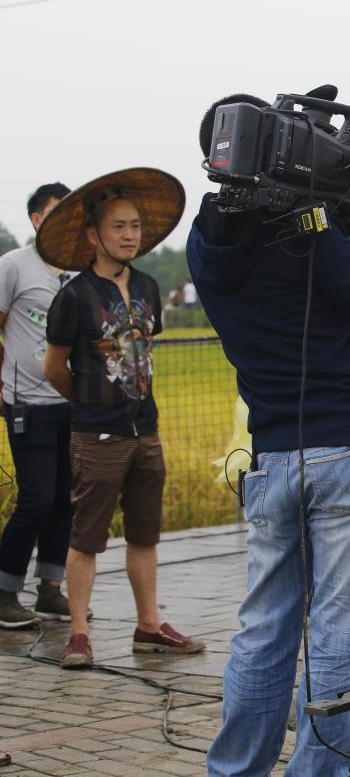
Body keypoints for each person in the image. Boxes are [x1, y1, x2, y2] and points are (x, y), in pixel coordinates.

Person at [189, 91, 350, 776]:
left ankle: (236, 768)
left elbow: (304, 283)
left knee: (264, 630)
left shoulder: (205, 241)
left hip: (271, 456)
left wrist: (332, 207)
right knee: (341, 631)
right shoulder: (307, 232)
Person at [38, 168, 206, 669]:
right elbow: (53, 367)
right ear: (93, 235)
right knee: (86, 536)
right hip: (97, 435)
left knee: (145, 534)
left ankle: (149, 625)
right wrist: (89, 404)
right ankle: (79, 633)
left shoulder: (150, 287)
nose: (129, 235)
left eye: (134, 226)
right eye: (118, 226)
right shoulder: (73, 297)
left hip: (145, 431)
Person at [0, 182, 75, 629]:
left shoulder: (79, 269)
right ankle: (4, 592)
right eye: (56, 212)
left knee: (66, 498)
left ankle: (50, 588)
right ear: (36, 219)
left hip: (70, 402)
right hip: (27, 402)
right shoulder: (14, 266)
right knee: (36, 498)